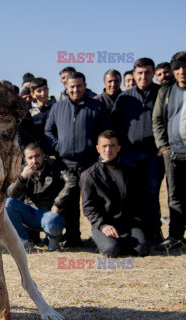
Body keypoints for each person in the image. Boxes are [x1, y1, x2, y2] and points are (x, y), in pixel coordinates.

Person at [45, 72, 110, 247]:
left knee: (94, 201)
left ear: (85, 85)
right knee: (70, 204)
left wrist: (98, 154)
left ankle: (101, 238)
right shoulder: (58, 108)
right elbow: (48, 131)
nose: (75, 89)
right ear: (66, 87)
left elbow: (104, 133)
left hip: (89, 164)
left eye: (79, 86)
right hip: (66, 164)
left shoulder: (97, 107)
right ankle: (73, 238)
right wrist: (58, 146)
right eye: (72, 86)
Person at [112, 57, 163, 245]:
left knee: (151, 194)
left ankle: (155, 233)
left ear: (153, 74)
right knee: (131, 195)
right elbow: (116, 125)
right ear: (134, 75)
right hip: (129, 155)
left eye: (148, 73)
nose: (143, 77)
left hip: (153, 154)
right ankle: (133, 234)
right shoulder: (125, 97)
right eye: (139, 73)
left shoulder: (161, 93)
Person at [81, 130, 150, 258]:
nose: (108, 150)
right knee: (111, 251)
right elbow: (88, 207)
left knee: (143, 249)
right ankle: (103, 242)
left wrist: (137, 216)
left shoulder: (130, 170)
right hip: (103, 224)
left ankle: (119, 242)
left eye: (112, 146)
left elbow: (140, 197)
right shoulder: (88, 175)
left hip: (127, 223)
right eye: (104, 146)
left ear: (119, 148)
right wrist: (103, 225)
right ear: (98, 148)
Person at [5, 143, 76, 252]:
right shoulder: (23, 170)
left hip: (51, 214)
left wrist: (58, 203)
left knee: (52, 221)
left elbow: (72, 181)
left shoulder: (56, 166)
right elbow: (11, 194)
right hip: (31, 214)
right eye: (30, 158)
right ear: (25, 159)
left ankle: (53, 239)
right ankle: (24, 242)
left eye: (37, 156)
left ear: (43, 155)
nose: (34, 161)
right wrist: (23, 177)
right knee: (8, 204)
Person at [152, 51, 186, 251]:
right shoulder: (166, 91)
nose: (182, 72)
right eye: (178, 68)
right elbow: (157, 120)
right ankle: (175, 236)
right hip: (172, 153)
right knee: (175, 197)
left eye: (185, 67)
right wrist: (163, 147)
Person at [28, 77, 56, 154]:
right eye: (39, 91)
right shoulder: (30, 113)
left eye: (45, 89)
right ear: (33, 94)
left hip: (57, 150)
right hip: (39, 154)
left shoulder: (57, 108)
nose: (43, 93)